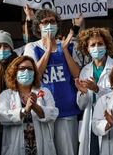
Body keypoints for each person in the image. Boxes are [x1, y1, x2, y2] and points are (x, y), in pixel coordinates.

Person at [24, 9, 81, 155]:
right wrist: (48, 49)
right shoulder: (32, 47)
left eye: (52, 21)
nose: (49, 25)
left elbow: (77, 75)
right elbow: (34, 75)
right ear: (38, 26)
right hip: (43, 110)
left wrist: (64, 50)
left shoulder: (67, 45)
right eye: (45, 22)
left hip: (67, 109)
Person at [0, 56, 58, 155]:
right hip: (15, 147)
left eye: (30, 69)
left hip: (41, 147)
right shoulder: (6, 95)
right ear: (14, 73)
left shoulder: (44, 92)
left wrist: (35, 107)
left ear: (34, 73)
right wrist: (25, 110)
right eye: (22, 68)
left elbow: (53, 114)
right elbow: (2, 116)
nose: (26, 71)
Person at [75, 27, 113, 155]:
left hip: (111, 116)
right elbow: (81, 105)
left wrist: (97, 89)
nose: (96, 47)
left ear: (106, 45)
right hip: (91, 117)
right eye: (92, 45)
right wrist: (83, 93)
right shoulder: (85, 70)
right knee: (93, 150)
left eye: (100, 44)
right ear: (87, 49)